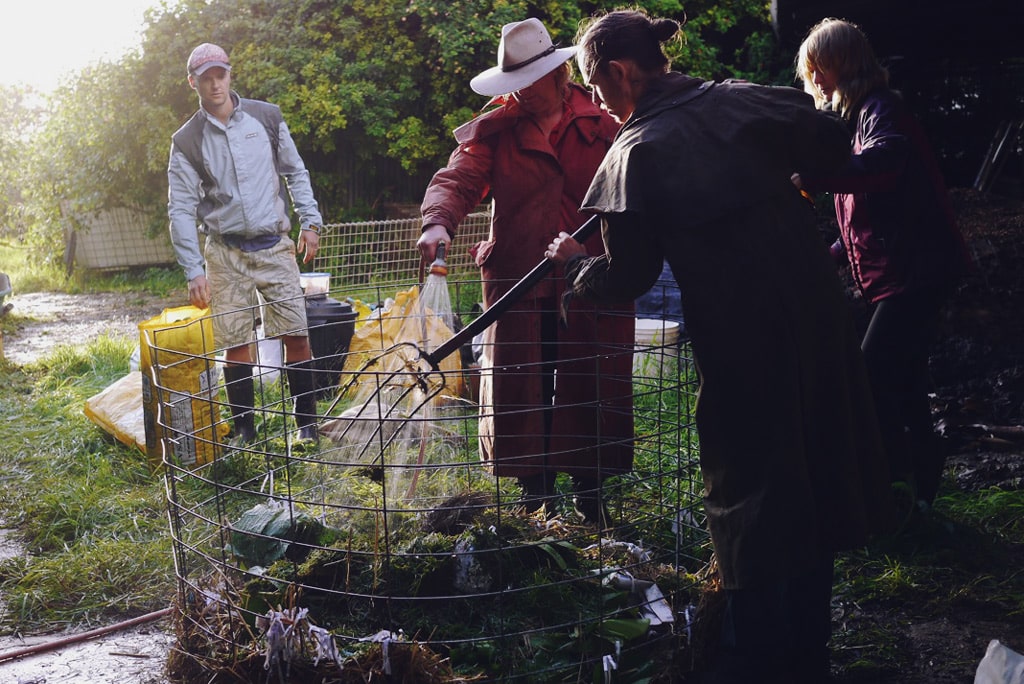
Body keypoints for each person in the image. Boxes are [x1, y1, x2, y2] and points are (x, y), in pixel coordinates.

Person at [545, 9, 895, 683]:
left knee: (748, 487)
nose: (594, 100)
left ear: (620, 72)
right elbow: (829, 142)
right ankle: (807, 654)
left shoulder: (636, 150)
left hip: (744, 334)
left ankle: (754, 659)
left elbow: (629, 273)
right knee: (814, 460)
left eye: (593, 84)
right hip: (819, 316)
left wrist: (576, 274)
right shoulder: (743, 100)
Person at [417, 18, 634, 526]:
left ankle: (590, 492)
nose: (523, 93)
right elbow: (459, 176)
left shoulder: (603, 123)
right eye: (515, 83)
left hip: (588, 273)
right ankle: (535, 496)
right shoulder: (498, 127)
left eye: (531, 81)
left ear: (557, 76)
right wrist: (437, 222)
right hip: (519, 276)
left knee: (590, 376)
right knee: (520, 382)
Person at [792, 18, 971, 509]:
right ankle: (919, 492)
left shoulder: (882, 110)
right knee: (906, 380)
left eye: (817, 67)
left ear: (837, 63)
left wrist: (813, 174)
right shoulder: (859, 117)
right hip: (902, 272)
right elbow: (864, 216)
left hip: (917, 271)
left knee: (873, 379)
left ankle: (890, 492)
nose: (813, 79)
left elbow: (885, 167)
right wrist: (831, 256)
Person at [167, 43, 324, 445]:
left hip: (275, 247)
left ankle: (305, 426)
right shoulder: (187, 140)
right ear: (193, 83)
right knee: (236, 343)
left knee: (296, 335)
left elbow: (295, 171)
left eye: (220, 75)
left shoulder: (266, 117)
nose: (215, 84)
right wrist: (193, 270)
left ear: (229, 74)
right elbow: (181, 209)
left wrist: (310, 221)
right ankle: (244, 432)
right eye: (206, 79)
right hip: (225, 253)